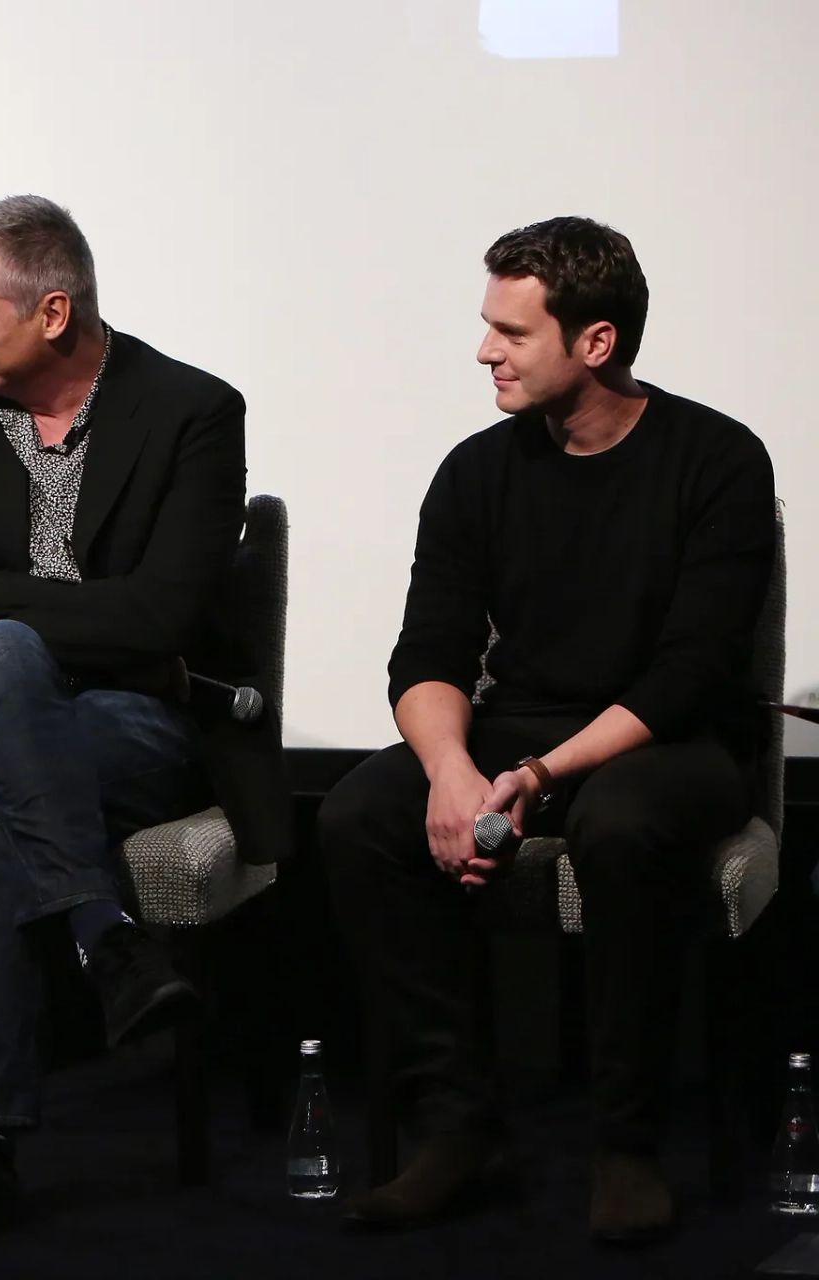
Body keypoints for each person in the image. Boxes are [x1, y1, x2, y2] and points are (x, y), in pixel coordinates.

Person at [320, 217, 775, 1244]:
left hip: (670, 739)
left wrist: (537, 771)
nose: (486, 350)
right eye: (489, 326)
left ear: (596, 341)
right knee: (357, 815)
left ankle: (626, 1142)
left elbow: (692, 671)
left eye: (512, 332)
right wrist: (449, 770)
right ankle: (460, 1122)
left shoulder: (717, 458)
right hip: (517, 725)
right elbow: (426, 654)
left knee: (622, 826)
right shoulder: (479, 470)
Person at [0, 195, 291, 1242]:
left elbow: (166, 612)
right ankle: (108, 938)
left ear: (51, 312)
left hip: (125, 724)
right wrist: (16, 632)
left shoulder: (192, 410)